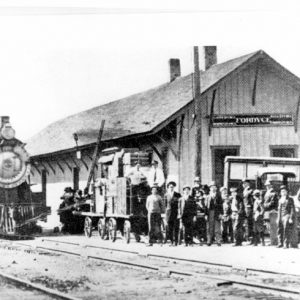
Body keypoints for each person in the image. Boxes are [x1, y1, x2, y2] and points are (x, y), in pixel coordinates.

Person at [205, 182, 223, 246]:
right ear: (210, 188)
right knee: (209, 227)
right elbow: (206, 206)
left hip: (217, 212)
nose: (213, 188)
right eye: (211, 187)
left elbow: (221, 206)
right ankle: (209, 240)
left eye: (214, 187)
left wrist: (221, 213)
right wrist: (206, 215)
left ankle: (218, 241)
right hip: (210, 212)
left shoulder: (219, 196)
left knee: (217, 227)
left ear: (216, 188)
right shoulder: (207, 196)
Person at [164, 181, 181, 246]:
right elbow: (165, 205)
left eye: (172, 187)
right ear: (168, 188)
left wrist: (179, 213)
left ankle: (176, 241)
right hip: (168, 213)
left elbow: (180, 204)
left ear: (174, 187)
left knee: (176, 228)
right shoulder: (166, 195)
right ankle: (171, 241)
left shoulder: (177, 194)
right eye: (170, 187)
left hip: (175, 213)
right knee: (170, 228)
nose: (171, 188)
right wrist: (165, 214)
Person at [263, 179, 278, 246]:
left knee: (272, 227)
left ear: (271, 185)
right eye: (266, 185)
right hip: (267, 212)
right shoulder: (267, 192)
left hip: (271, 211)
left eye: (268, 185)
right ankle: (272, 240)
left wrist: (264, 205)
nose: (267, 186)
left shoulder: (273, 193)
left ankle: (274, 241)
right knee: (268, 226)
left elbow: (273, 203)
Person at [242, 178, 254, 244]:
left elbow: (251, 201)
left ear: (248, 184)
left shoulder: (250, 191)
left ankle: (250, 239)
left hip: (248, 208)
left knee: (249, 224)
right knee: (246, 224)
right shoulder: (245, 190)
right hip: (245, 208)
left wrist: (250, 208)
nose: (243, 184)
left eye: (245, 183)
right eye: (243, 183)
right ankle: (247, 237)